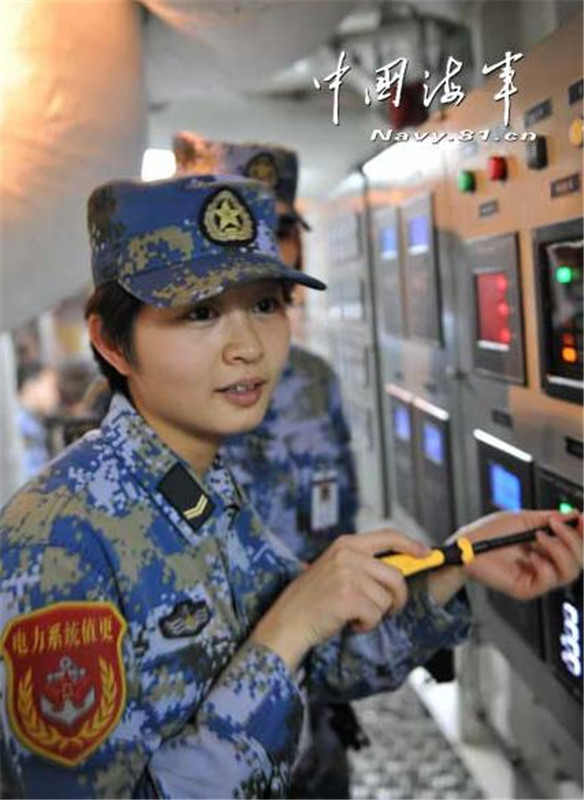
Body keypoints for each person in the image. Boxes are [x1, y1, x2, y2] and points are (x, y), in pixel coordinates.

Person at [0, 174, 581, 800]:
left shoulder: (195, 487)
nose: (248, 346)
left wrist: (461, 561)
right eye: (200, 313)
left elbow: (318, 667)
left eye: (265, 305)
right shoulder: (59, 541)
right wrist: (291, 625)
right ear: (113, 342)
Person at [173, 133, 362, 796]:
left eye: (280, 229)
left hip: (316, 713)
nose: (268, 250)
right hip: (204, 748)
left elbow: (338, 530)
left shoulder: (313, 382)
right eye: (240, 229)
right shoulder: (145, 401)